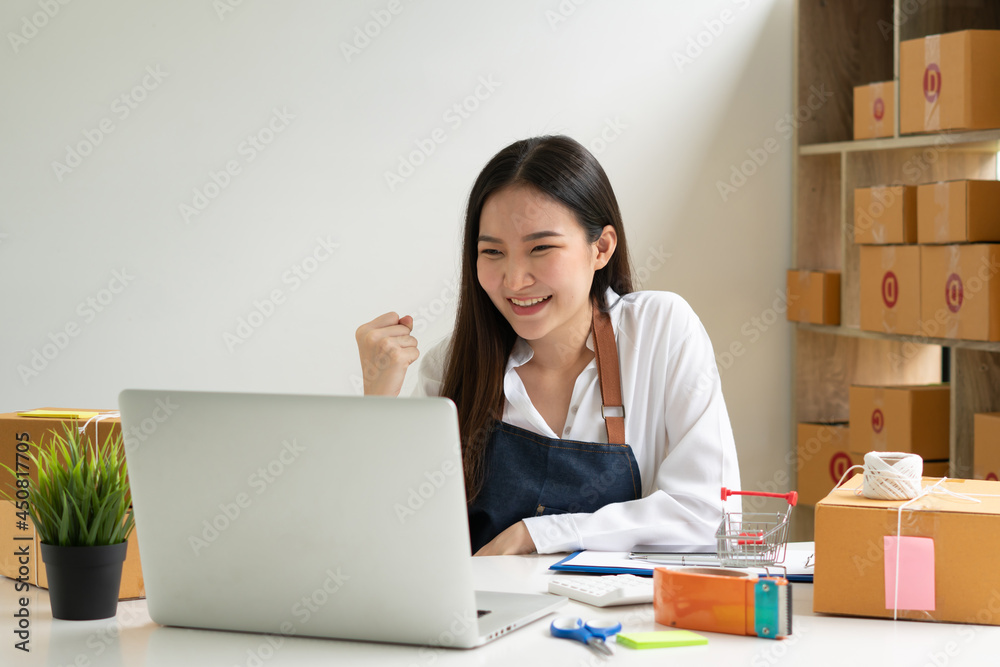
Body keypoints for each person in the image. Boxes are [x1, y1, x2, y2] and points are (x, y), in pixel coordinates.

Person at [356, 135, 740, 556]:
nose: (515, 279)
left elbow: (710, 514)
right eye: (493, 252)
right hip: (487, 618)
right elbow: (394, 540)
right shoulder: (450, 365)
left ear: (601, 248)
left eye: (541, 248)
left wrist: (534, 535)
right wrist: (378, 401)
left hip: (618, 621)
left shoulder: (660, 330)